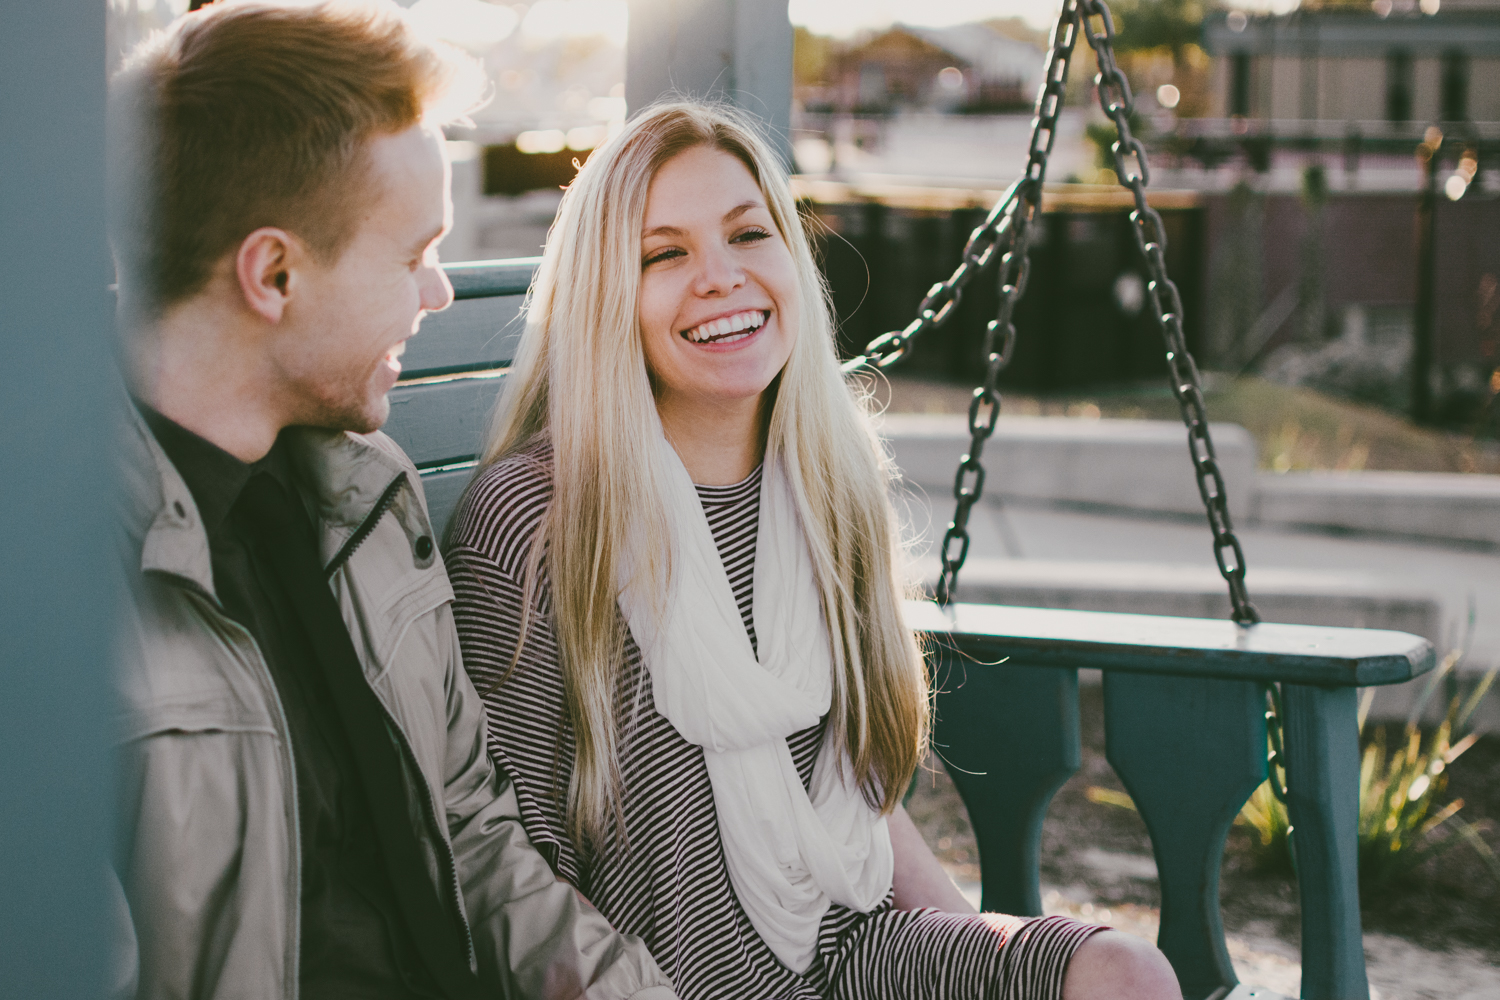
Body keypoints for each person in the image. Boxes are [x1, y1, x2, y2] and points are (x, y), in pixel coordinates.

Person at [446, 101, 1183, 1000]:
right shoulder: (538, 520)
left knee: (1124, 974)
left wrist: (977, 955)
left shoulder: (825, 489)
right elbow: (511, 868)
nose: (721, 277)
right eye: (664, 253)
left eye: (749, 234)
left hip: (849, 957)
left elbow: (857, 794)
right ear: (609, 294)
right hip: (655, 987)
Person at [107, 3, 678, 998]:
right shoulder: (58, 574)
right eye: (413, 253)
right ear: (274, 273)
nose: (439, 293)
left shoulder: (367, 499)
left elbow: (474, 835)